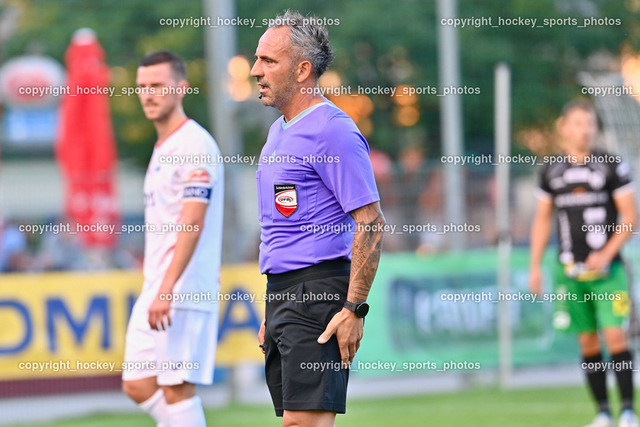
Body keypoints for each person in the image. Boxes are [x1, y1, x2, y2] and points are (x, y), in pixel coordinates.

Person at [250, 10, 385, 427]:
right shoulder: (279, 131)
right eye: (257, 59)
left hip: (317, 291)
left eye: (268, 61)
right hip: (282, 293)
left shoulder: (332, 130)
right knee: (295, 422)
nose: (255, 71)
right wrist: (273, 307)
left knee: (303, 422)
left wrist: (354, 309)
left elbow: (370, 221)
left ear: (302, 70)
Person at [121, 51, 224, 427]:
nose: (148, 94)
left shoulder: (194, 144)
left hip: (183, 288)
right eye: (142, 87)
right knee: (137, 383)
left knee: (177, 388)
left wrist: (167, 288)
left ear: (181, 88)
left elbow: (193, 221)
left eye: (157, 85)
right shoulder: (163, 146)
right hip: (158, 286)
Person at [529, 100, 637, 427]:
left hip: (609, 272)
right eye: (577, 123)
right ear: (564, 127)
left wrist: (605, 253)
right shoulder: (552, 170)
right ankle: (603, 412)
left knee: (615, 335)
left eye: (589, 123)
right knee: (587, 340)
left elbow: (630, 217)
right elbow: (542, 220)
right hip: (570, 273)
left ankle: (628, 410)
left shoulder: (610, 165)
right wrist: (535, 266)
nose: (584, 130)